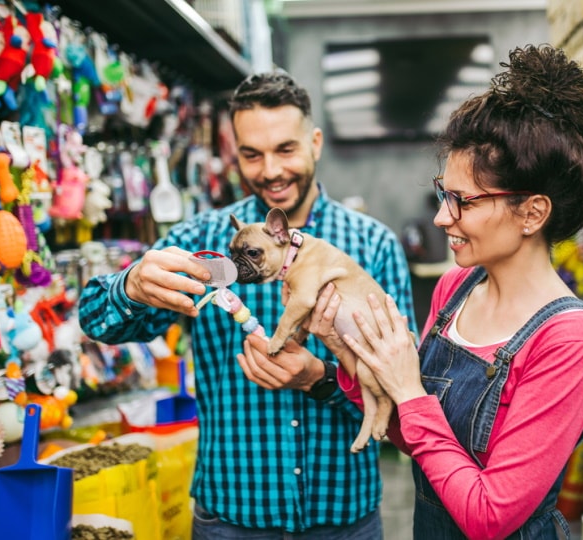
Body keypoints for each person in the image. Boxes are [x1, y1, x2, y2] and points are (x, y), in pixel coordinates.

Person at [77, 70, 417, 539]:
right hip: (231, 520)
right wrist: (132, 284)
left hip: (344, 520)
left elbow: (407, 394)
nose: (271, 171)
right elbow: (95, 319)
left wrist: (320, 379)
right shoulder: (203, 241)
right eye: (252, 155)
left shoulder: (370, 245)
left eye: (286, 149)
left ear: (315, 142)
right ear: (234, 154)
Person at [304, 44, 583, 540]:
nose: (441, 216)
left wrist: (408, 386)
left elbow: (488, 516)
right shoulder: (455, 289)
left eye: (462, 201)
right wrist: (347, 356)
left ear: (533, 213)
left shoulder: (569, 342)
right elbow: (419, 439)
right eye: (442, 194)